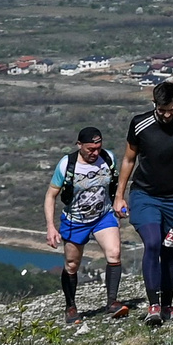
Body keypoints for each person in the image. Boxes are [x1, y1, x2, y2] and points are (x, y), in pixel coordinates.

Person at [114, 81, 173, 325]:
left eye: (172, 109)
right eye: (162, 110)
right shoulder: (140, 123)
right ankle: (153, 306)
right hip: (145, 196)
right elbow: (128, 160)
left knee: (169, 251)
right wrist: (119, 195)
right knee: (153, 243)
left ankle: (167, 305)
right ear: (154, 105)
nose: (167, 115)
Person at [42, 125, 126, 323]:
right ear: (79, 145)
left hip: (102, 216)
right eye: (90, 149)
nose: (94, 153)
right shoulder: (67, 165)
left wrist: (119, 202)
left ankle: (112, 302)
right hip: (75, 220)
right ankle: (70, 307)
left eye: (98, 148)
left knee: (114, 254)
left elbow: (116, 184)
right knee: (72, 264)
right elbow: (51, 195)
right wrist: (51, 227)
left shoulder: (108, 158)